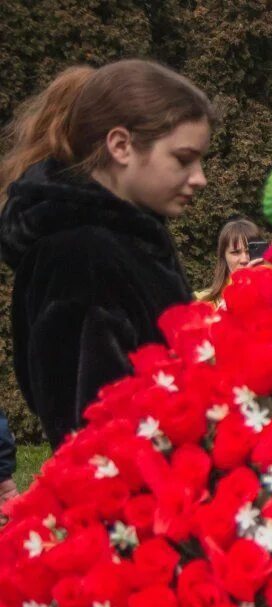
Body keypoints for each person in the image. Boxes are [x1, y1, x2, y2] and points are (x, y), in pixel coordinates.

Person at [0, 60, 214, 447]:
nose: (200, 178)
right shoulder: (81, 257)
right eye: (183, 159)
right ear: (120, 145)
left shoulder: (128, 242)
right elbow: (95, 438)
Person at [196, 216, 262, 305]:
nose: (244, 259)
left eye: (249, 251)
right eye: (236, 252)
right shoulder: (203, 302)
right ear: (224, 257)